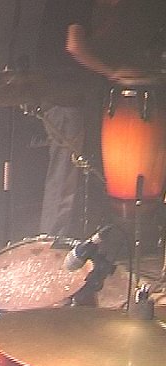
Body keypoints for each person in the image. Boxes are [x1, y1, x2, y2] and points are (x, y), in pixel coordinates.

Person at [36, 0, 166, 238]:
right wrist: (112, 72)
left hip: (69, 93)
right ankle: (53, 244)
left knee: (72, 172)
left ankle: (67, 241)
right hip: (63, 94)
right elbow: (74, 45)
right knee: (65, 175)